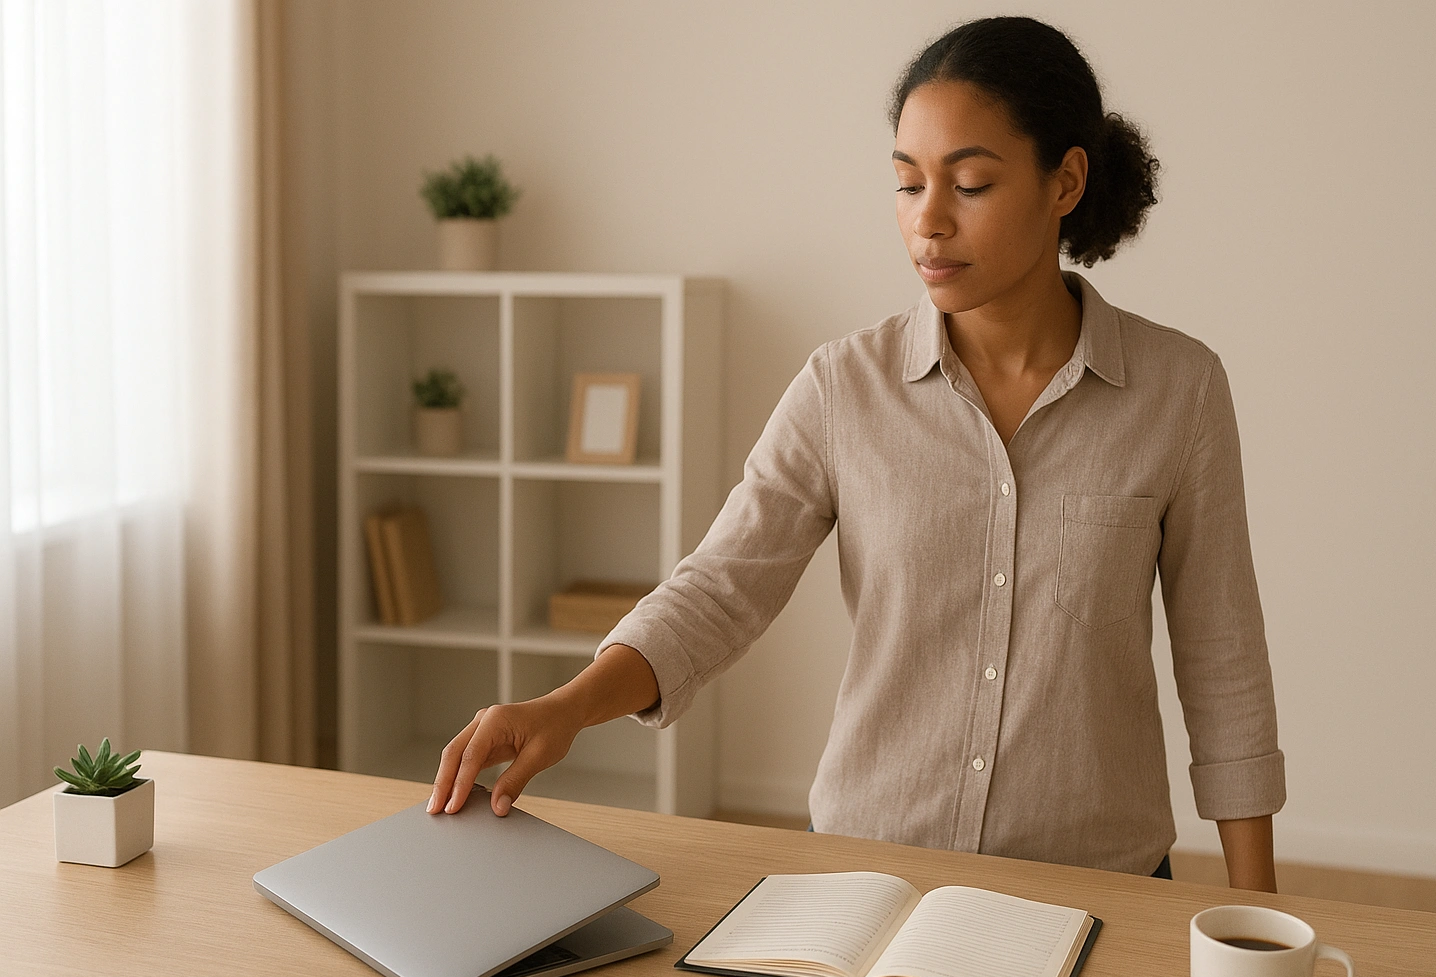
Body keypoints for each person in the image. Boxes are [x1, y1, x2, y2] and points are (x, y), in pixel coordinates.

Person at [427, 16, 1284, 891]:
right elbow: (721, 588)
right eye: (908, 185)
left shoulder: (1179, 392)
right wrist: (565, 708)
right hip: (869, 876)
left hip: (1100, 879)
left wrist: (1257, 918)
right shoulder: (844, 387)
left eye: (972, 183)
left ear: (1065, 181)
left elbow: (1223, 659)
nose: (929, 222)